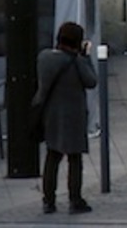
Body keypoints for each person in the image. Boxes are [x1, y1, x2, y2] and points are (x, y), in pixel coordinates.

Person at [37, 22, 97, 215]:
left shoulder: (44, 57)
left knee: (52, 157)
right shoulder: (76, 61)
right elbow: (91, 81)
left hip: (51, 114)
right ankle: (75, 199)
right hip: (73, 116)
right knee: (74, 158)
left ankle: (48, 200)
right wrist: (86, 56)